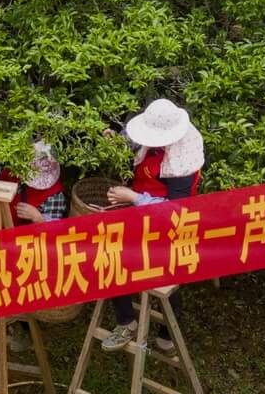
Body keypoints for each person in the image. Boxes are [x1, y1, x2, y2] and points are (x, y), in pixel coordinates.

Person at [102, 99, 204, 352]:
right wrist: (115, 140)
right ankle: (126, 320)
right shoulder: (153, 138)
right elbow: (131, 141)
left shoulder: (183, 162)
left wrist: (134, 198)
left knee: (167, 277)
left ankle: (167, 331)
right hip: (141, 215)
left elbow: (175, 210)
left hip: (170, 226)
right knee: (114, 259)